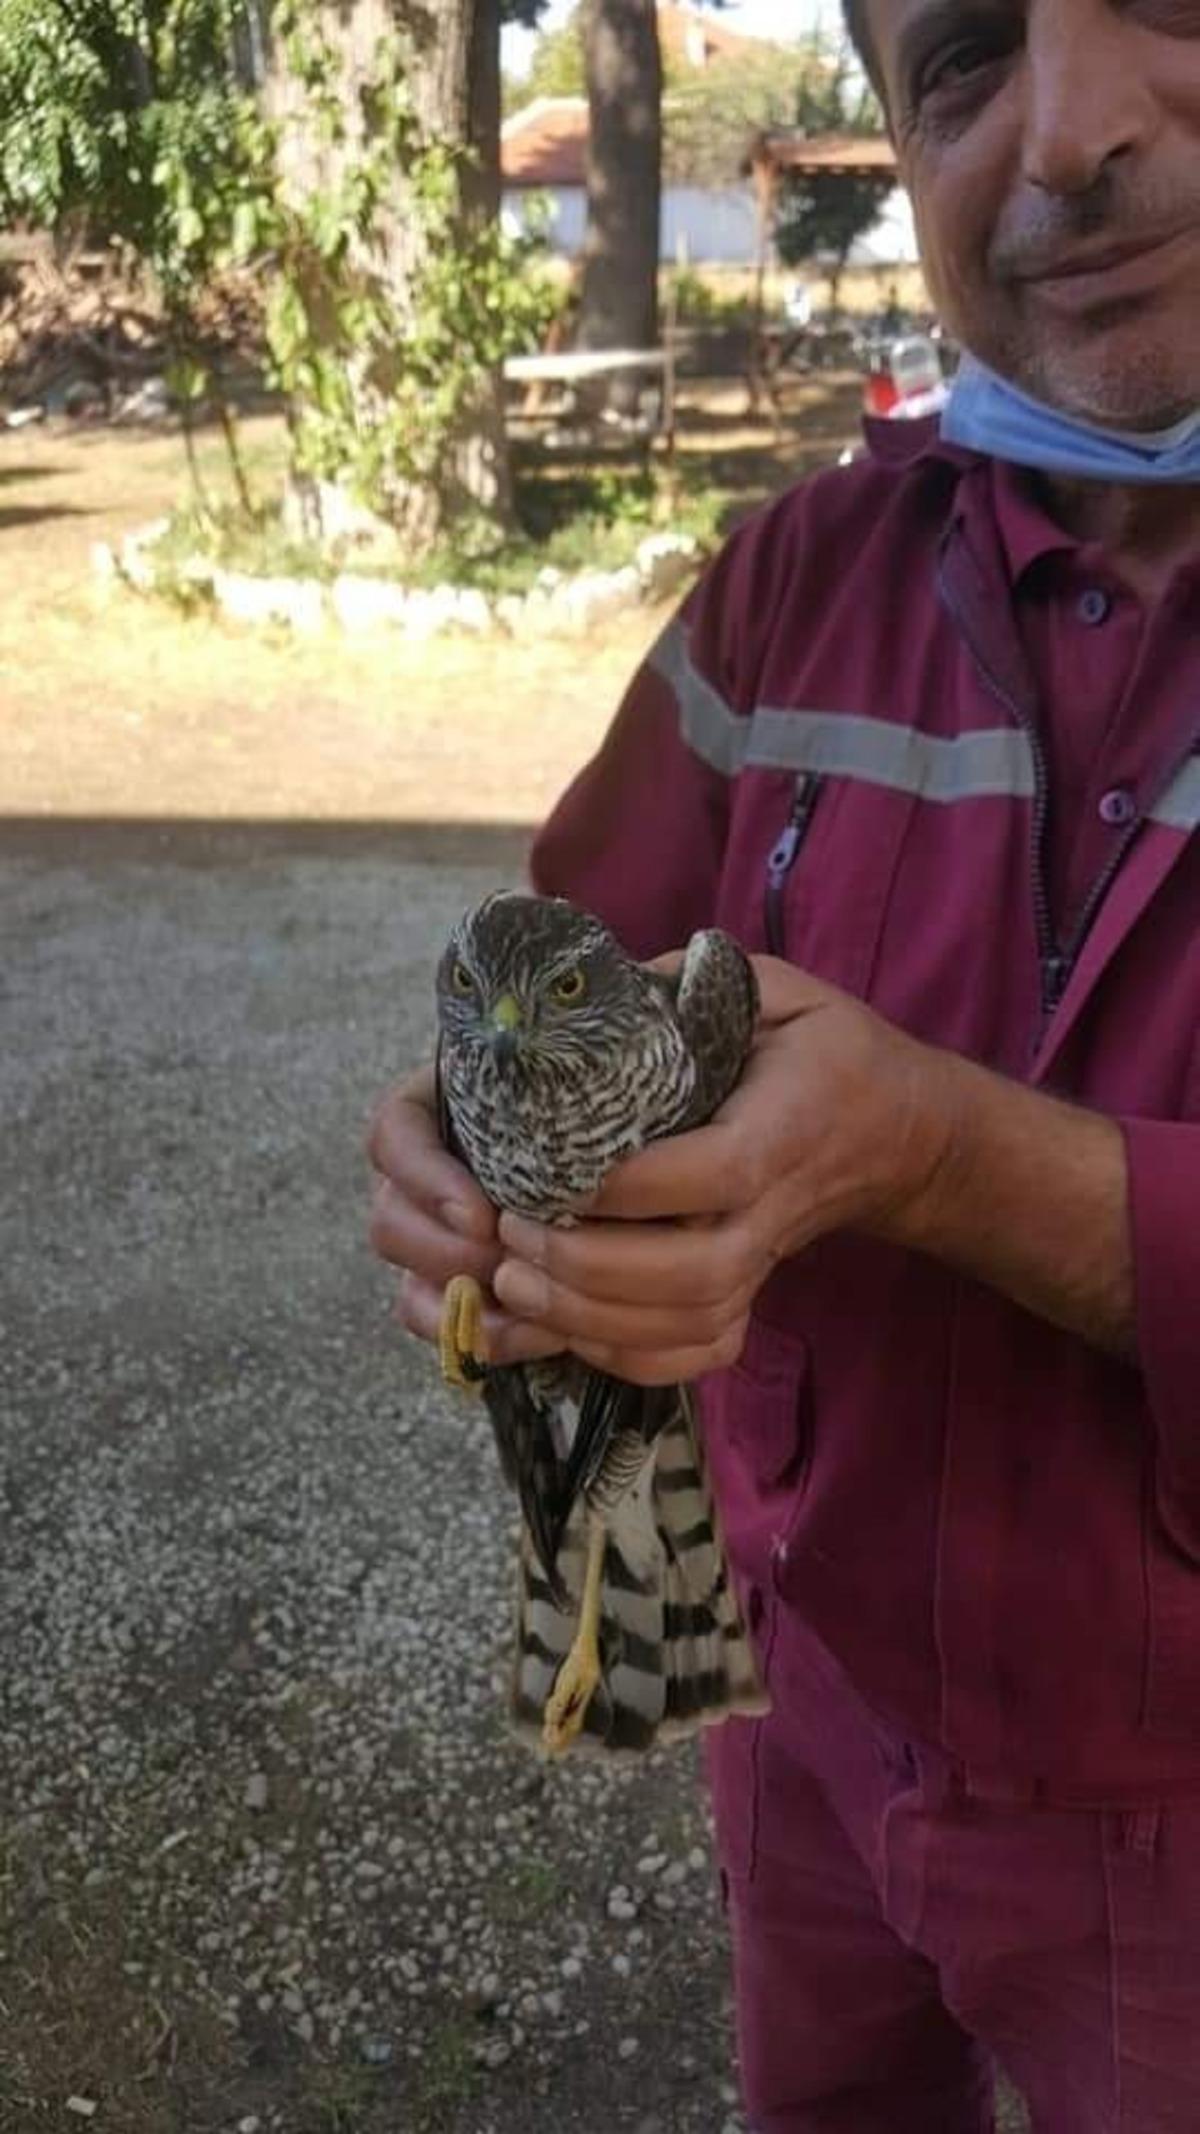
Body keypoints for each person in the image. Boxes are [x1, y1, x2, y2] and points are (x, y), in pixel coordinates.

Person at [369, 3, 1200, 2127]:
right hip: (802, 1719)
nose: (1069, 133)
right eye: (957, 60)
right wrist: (470, 1153)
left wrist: (931, 1150)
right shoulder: (789, 580)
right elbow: (561, 955)